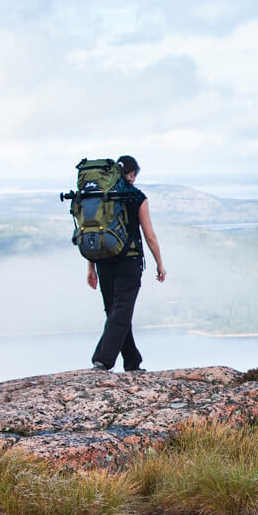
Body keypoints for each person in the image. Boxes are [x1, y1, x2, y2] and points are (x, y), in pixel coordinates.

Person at [87, 155, 166, 371]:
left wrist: (91, 266)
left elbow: (94, 230)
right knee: (121, 312)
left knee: (115, 312)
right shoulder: (137, 197)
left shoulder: (101, 196)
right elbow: (149, 235)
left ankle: (132, 362)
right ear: (131, 174)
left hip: (103, 261)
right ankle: (102, 360)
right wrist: (160, 263)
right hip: (129, 261)